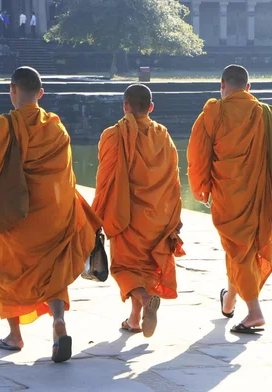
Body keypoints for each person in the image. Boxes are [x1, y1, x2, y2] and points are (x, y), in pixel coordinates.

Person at [0, 66, 101, 363]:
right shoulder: (56, 128)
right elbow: (65, 177)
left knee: (8, 269)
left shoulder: (1, 125)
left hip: (17, 215)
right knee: (53, 270)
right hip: (53, 214)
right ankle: (58, 323)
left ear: (12, 89)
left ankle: (14, 335)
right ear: (41, 94)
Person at [187, 64, 272, 334]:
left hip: (228, 194)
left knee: (239, 250)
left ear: (222, 85)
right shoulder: (264, 113)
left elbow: (198, 155)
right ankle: (230, 299)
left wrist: (200, 187)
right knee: (241, 250)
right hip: (260, 193)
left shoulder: (214, 112)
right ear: (248, 88)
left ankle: (254, 312)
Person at [92, 84, 184, 338]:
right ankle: (134, 320)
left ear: (125, 106)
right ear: (151, 107)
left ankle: (145, 300)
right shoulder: (163, 135)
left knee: (124, 268)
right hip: (158, 216)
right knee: (144, 268)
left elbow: (106, 180)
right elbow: (174, 180)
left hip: (127, 216)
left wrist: (95, 215)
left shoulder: (114, 134)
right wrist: (175, 218)